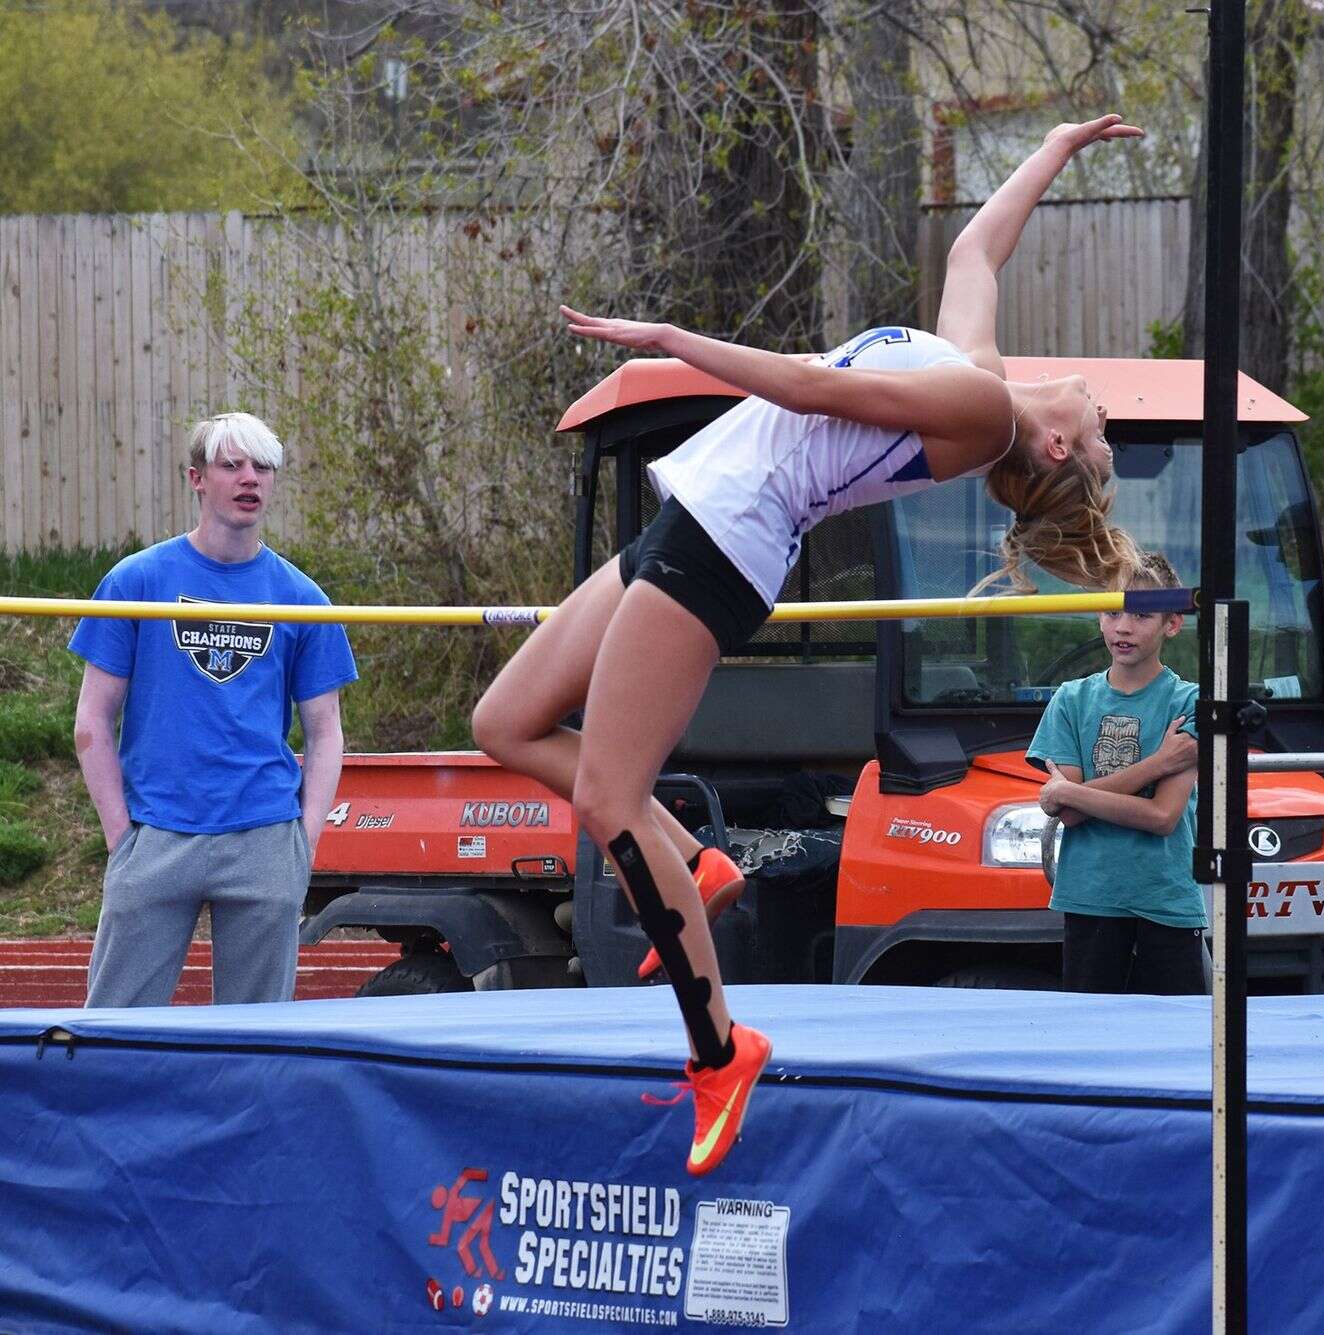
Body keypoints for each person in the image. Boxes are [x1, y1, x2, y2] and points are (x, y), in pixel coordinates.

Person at [471, 114, 1146, 1177]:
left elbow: (812, 386)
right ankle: (696, 858)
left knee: (606, 796)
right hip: (696, 519)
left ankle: (719, 1053)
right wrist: (1056, 146)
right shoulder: (975, 373)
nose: (1107, 417)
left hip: (726, 540)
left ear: (1055, 444)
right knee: (505, 722)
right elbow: (976, 253)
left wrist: (676, 340)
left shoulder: (977, 407)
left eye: (1099, 436)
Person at [70, 412, 357, 1008]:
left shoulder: (303, 598)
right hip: (155, 834)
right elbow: (92, 721)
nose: (250, 478)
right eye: (232, 465)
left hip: (264, 838)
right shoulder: (136, 581)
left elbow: (327, 732)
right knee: (115, 1031)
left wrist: (302, 844)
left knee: (255, 1042)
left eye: (263, 467)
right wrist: (121, 838)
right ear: (197, 478)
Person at [1028, 554, 1207, 994]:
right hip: (1090, 899)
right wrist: (1157, 764)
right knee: (1091, 1026)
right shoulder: (1070, 699)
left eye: (1141, 616)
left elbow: (1162, 817)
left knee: (1172, 1029)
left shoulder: (1190, 701)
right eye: (1112, 612)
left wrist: (1068, 793)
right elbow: (1071, 816)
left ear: (1172, 624)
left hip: (1166, 899)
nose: (1123, 627)